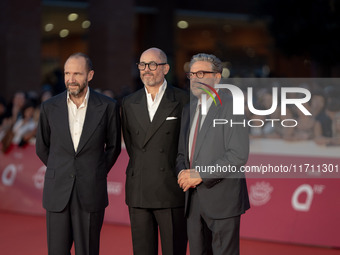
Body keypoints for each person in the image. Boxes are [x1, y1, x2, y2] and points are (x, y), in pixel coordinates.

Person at [36, 52, 121, 255]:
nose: (71, 79)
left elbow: (114, 147)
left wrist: (94, 170)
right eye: (67, 73)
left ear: (90, 75)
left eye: (77, 73)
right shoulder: (49, 107)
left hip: (91, 191)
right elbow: (42, 147)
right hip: (57, 193)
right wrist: (61, 169)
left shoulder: (108, 106)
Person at [176, 53, 250, 255]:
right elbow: (182, 153)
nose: (195, 78)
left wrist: (200, 174)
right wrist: (183, 173)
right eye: (192, 74)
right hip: (192, 200)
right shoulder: (189, 110)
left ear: (217, 77)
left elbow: (238, 154)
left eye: (201, 73)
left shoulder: (232, 107)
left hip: (223, 200)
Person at [121, 47, 189, 255]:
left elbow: (187, 145)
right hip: (139, 190)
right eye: (142, 65)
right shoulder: (128, 102)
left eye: (152, 64)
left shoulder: (184, 100)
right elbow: (132, 145)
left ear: (165, 68)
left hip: (171, 189)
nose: (146, 70)